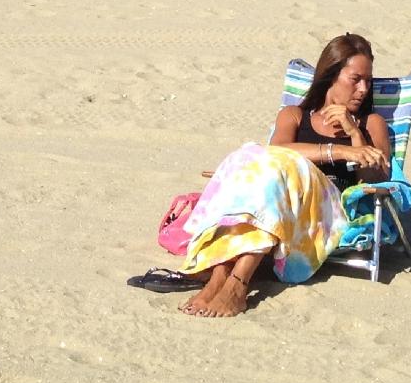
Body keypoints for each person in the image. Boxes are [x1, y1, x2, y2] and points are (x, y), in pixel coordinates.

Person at [166, 33, 394, 317]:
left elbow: (376, 181)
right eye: (355, 79)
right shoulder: (294, 115)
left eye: (368, 80)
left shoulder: (372, 124)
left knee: (272, 173)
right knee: (260, 162)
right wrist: (341, 151)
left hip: (323, 213)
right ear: (332, 75)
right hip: (281, 203)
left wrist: (354, 135)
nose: (363, 88)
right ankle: (219, 278)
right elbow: (276, 154)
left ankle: (237, 282)